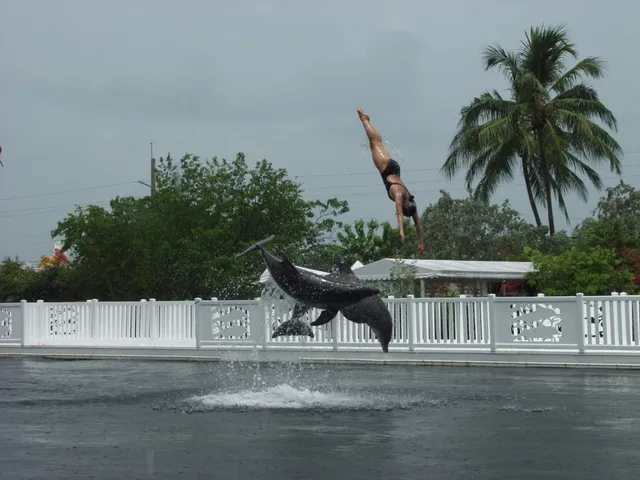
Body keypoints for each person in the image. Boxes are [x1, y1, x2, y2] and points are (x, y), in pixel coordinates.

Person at [357, 107, 424, 255]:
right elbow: (399, 213)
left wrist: (420, 243)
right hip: (386, 168)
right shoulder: (399, 194)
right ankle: (364, 120)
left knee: (377, 142)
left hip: (394, 167)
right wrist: (401, 231)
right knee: (374, 143)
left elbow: (418, 225)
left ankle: (367, 120)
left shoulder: (411, 201)